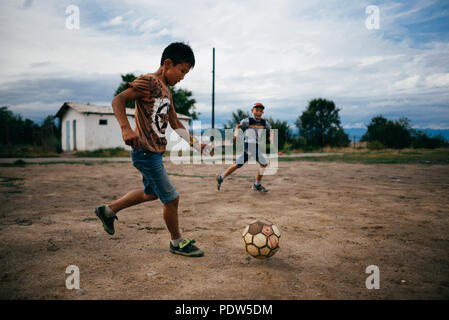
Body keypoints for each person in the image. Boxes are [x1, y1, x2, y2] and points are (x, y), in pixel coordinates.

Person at [94, 42, 212, 257]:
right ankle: (177, 242)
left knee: (150, 194)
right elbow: (118, 100)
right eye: (182, 71)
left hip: (154, 153)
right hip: (145, 153)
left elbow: (176, 123)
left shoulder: (166, 91)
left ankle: (108, 211)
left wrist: (197, 145)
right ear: (168, 63)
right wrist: (125, 129)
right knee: (172, 198)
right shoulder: (149, 82)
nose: (183, 77)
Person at [216, 102, 273, 192]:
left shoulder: (264, 122)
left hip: (255, 145)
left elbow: (271, 129)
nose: (258, 112)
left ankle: (221, 176)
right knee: (263, 163)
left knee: (238, 164)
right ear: (252, 111)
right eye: (256, 110)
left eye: (261, 111)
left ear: (263, 113)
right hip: (249, 145)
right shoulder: (248, 121)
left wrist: (271, 136)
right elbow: (238, 126)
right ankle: (256, 185)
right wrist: (236, 133)